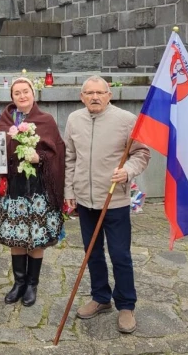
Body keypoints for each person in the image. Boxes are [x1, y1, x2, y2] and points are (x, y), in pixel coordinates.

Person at [64, 76, 150, 333]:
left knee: (120, 255)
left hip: (115, 199)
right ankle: (101, 297)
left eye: (100, 92)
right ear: (82, 97)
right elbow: (70, 157)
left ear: (109, 94)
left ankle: (126, 304)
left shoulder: (125, 120)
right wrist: (69, 190)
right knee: (92, 252)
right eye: (89, 93)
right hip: (85, 199)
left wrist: (127, 171)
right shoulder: (74, 120)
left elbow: (141, 153)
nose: (95, 97)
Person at [0, 76, 65, 307]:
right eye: (17, 93)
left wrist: (39, 157)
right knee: (16, 234)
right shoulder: (5, 119)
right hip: (14, 187)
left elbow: (56, 153)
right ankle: (19, 282)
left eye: (26, 91)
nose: (22, 96)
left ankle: (32, 284)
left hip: (38, 189)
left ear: (33, 94)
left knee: (35, 237)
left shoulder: (46, 120)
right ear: (12, 97)